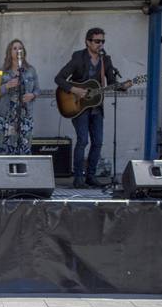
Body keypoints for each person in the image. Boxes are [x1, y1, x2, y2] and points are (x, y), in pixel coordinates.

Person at [55, 28, 131, 188]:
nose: (100, 44)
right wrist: (75, 90)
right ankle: (78, 179)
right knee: (83, 141)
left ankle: (90, 177)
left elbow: (110, 83)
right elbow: (59, 78)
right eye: (97, 41)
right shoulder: (78, 57)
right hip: (77, 105)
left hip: (96, 107)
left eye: (103, 41)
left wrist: (122, 86)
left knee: (98, 142)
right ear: (88, 42)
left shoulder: (106, 60)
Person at [0, 39, 40, 155]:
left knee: (23, 149)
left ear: (23, 52)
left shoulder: (30, 70)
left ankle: (21, 172)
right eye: (14, 48)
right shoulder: (2, 71)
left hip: (24, 114)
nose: (18, 50)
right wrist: (7, 86)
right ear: (9, 52)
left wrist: (32, 95)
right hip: (6, 115)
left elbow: (38, 90)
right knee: (5, 149)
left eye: (20, 48)